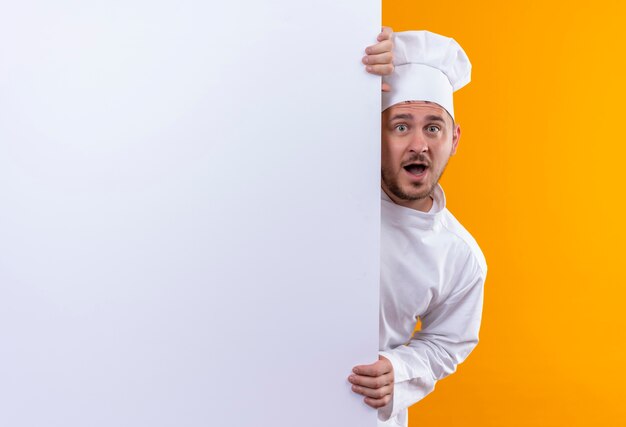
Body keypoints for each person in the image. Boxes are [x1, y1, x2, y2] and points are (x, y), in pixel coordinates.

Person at [356, 29, 487, 427]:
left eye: (433, 127)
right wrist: (343, 62)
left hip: (362, 412)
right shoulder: (325, 202)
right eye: (400, 126)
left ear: (454, 138)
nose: (419, 144)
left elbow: (447, 344)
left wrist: (398, 367)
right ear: (372, 133)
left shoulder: (460, 256)